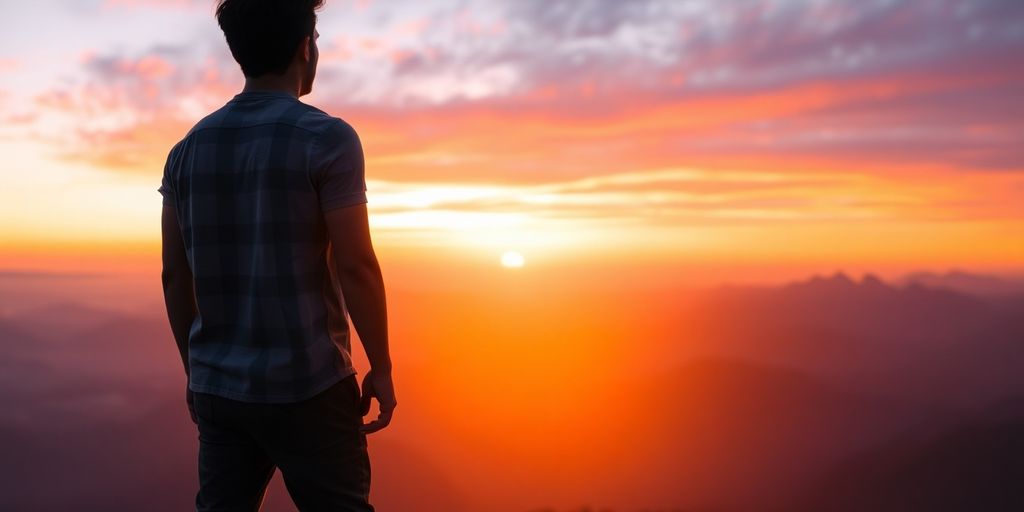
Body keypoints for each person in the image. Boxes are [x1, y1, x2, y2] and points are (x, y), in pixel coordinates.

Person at [158, 0, 396, 510]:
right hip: (309, 384)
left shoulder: (186, 151)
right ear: (304, 48)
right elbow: (356, 265)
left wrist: (196, 374)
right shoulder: (328, 139)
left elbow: (176, 277)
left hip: (221, 390)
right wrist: (382, 364)